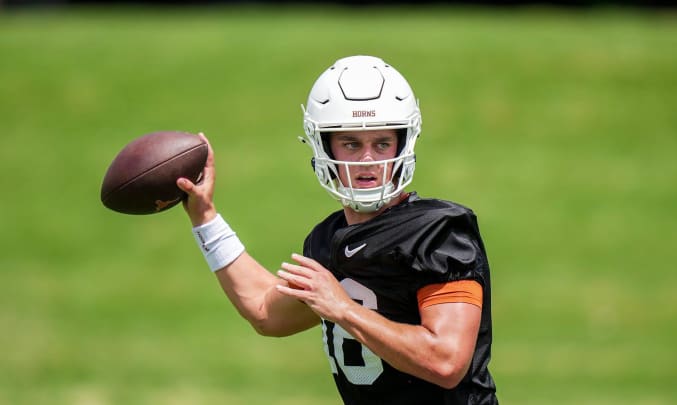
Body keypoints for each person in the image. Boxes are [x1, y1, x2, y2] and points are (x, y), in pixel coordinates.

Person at [176, 55, 498, 405]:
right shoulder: (328, 239)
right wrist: (205, 217)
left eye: (382, 144)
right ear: (323, 145)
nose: (368, 161)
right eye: (351, 144)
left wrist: (343, 308)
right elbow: (266, 313)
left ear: (404, 144)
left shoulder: (436, 233)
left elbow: (446, 361)